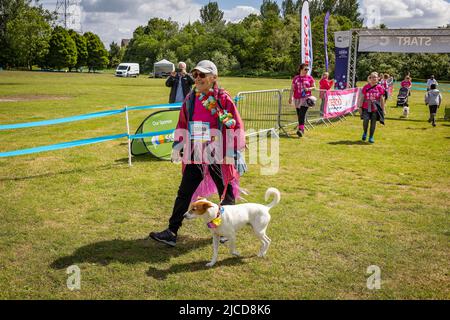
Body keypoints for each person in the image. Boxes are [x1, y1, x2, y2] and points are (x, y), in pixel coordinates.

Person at [149, 60, 245, 247]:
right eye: (196, 75)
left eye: (202, 75)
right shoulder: (190, 99)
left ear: (213, 78)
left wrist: (233, 150)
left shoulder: (223, 99)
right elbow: (182, 124)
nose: (198, 79)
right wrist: (178, 145)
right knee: (184, 192)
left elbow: (236, 124)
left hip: (218, 152)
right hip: (196, 152)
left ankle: (225, 230)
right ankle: (171, 232)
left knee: (225, 191)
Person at [288, 63, 316, 137]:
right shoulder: (296, 78)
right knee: (299, 114)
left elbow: (314, 87)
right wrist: (290, 97)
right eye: (305, 69)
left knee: (302, 113)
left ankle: (301, 130)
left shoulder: (310, 78)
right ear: (301, 69)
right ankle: (301, 128)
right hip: (297, 98)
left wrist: (308, 89)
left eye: (307, 69)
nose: (307, 70)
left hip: (306, 98)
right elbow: (292, 88)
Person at [359, 72, 386, 144]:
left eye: (375, 77)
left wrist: (383, 110)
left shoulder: (380, 88)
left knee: (373, 122)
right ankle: (365, 132)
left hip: (375, 108)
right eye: (372, 77)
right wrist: (360, 107)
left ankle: (371, 137)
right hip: (365, 107)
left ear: (378, 79)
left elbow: (382, 99)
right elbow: (362, 97)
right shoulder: (365, 87)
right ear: (370, 78)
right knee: (366, 120)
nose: (374, 78)